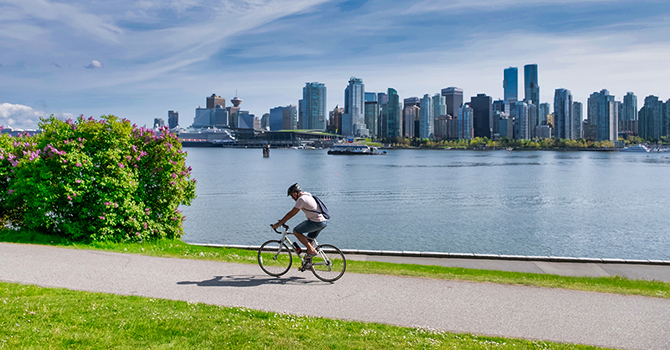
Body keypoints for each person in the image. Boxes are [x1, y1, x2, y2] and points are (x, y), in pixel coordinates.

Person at [271, 183, 328, 267]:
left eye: (291, 196)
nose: (292, 198)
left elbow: (291, 213)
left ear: (295, 193)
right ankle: (308, 265)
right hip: (323, 221)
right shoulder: (308, 195)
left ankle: (311, 250)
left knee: (296, 231)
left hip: (316, 221)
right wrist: (282, 221)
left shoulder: (301, 199)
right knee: (309, 242)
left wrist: (278, 224)